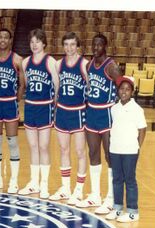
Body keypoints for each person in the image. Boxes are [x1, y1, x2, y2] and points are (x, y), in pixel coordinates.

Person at [76, 33, 121, 213]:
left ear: (105, 46)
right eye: (93, 45)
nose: (95, 48)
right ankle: (95, 195)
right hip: (92, 113)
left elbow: (123, 87)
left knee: (110, 156)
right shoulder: (88, 65)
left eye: (99, 45)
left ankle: (111, 198)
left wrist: (120, 111)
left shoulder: (111, 66)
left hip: (107, 114)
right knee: (93, 153)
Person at [19, 29, 59, 199]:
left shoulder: (51, 62)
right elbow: (27, 85)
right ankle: (33, 182)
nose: (34, 45)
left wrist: (55, 107)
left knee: (43, 146)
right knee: (33, 147)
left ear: (44, 43)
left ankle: (44, 185)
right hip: (30, 107)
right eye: (32, 41)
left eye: (38, 41)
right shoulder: (25, 62)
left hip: (45, 107)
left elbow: (57, 87)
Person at [0, 28, 24, 193]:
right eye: (0, 36)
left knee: (12, 142)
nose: (2, 40)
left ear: (10, 40)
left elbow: (22, 84)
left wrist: (17, 99)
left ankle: (13, 180)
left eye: (5, 37)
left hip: (10, 103)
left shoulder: (17, 60)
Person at [50, 32, 88, 204]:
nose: (69, 48)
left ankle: (79, 190)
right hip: (63, 111)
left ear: (77, 45)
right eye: (66, 44)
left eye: (72, 44)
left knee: (80, 151)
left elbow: (89, 87)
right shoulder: (58, 64)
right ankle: (65, 188)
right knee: (64, 150)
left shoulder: (84, 64)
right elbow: (56, 88)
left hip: (79, 111)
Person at [105, 76, 146, 222]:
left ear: (132, 92)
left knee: (129, 180)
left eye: (127, 89)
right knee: (116, 179)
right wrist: (110, 148)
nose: (124, 92)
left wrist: (137, 147)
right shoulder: (114, 108)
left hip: (130, 151)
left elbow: (142, 129)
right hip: (115, 149)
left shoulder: (137, 109)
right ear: (118, 91)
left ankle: (133, 211)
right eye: (122, 89)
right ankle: (117, 208)